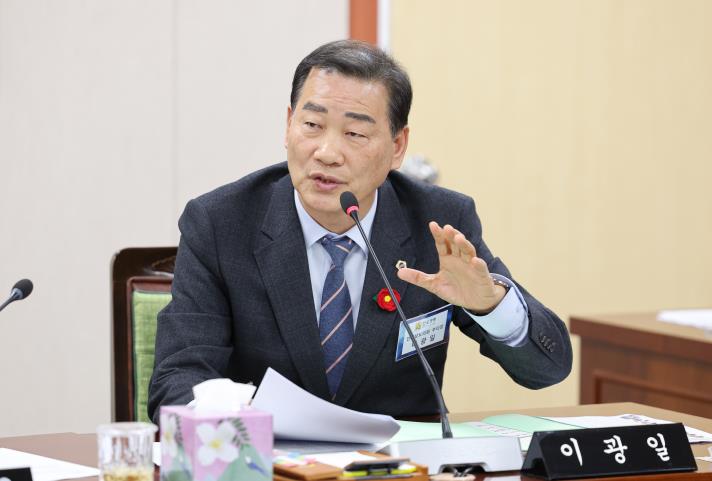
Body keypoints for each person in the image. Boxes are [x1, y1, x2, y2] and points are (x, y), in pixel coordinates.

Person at [148, 40, 572, 424]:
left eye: (355, 133)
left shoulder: (438, 223)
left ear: (397, 147)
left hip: (402, 466)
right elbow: (179, 378)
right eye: (312, 125)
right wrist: (241, 433)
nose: (327, 153)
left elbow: (548, 369)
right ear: (289, 124)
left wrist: (491, 305)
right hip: (271, 461)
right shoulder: (221, 222)